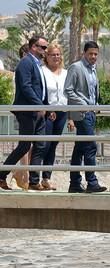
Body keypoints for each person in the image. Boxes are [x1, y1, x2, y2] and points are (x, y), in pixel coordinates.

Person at [0, 35, 49, 192]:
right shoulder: (26, 63)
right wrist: (39, 104)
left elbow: (40, 89)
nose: (45, 51)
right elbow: (26, 86)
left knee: (40, 145)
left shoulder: (37, 65)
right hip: (28, 112)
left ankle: (34, 181)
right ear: (33, 47)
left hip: (38, 112)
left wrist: (46, 107)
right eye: (42, 47)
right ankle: (1, 176)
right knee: (24, 146)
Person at [64, 41, 107, 193]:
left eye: (95, 54)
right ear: (84, 53)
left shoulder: (93, 70)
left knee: (80, 148)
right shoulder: (76, 67)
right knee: (91, 146)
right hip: (81, 113)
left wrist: (95, 106)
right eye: (90, 54)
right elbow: (68, 90)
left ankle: (74, 183)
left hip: (91, 113)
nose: (93, 57)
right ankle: (92, 182)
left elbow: (93, 92)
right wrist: (84, 104)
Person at [40, 43, 74, 190]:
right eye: (52, 54)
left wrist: (70, 117)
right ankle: (32, 175)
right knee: (43, 145)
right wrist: (46, 109)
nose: (56, 57)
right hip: (47, 112)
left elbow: (70, 95)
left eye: (58, 54)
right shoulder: (42, 71)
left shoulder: (66, 73)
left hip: (62, 112)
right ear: (46, 57)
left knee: (53, 145)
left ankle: (46, 178)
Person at [10, 43, 32, 190]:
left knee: (31, 144)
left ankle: (20, 172)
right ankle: (24, 174)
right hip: (22, 111)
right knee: (25, 144)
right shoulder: (20, 70)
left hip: (30, 112)